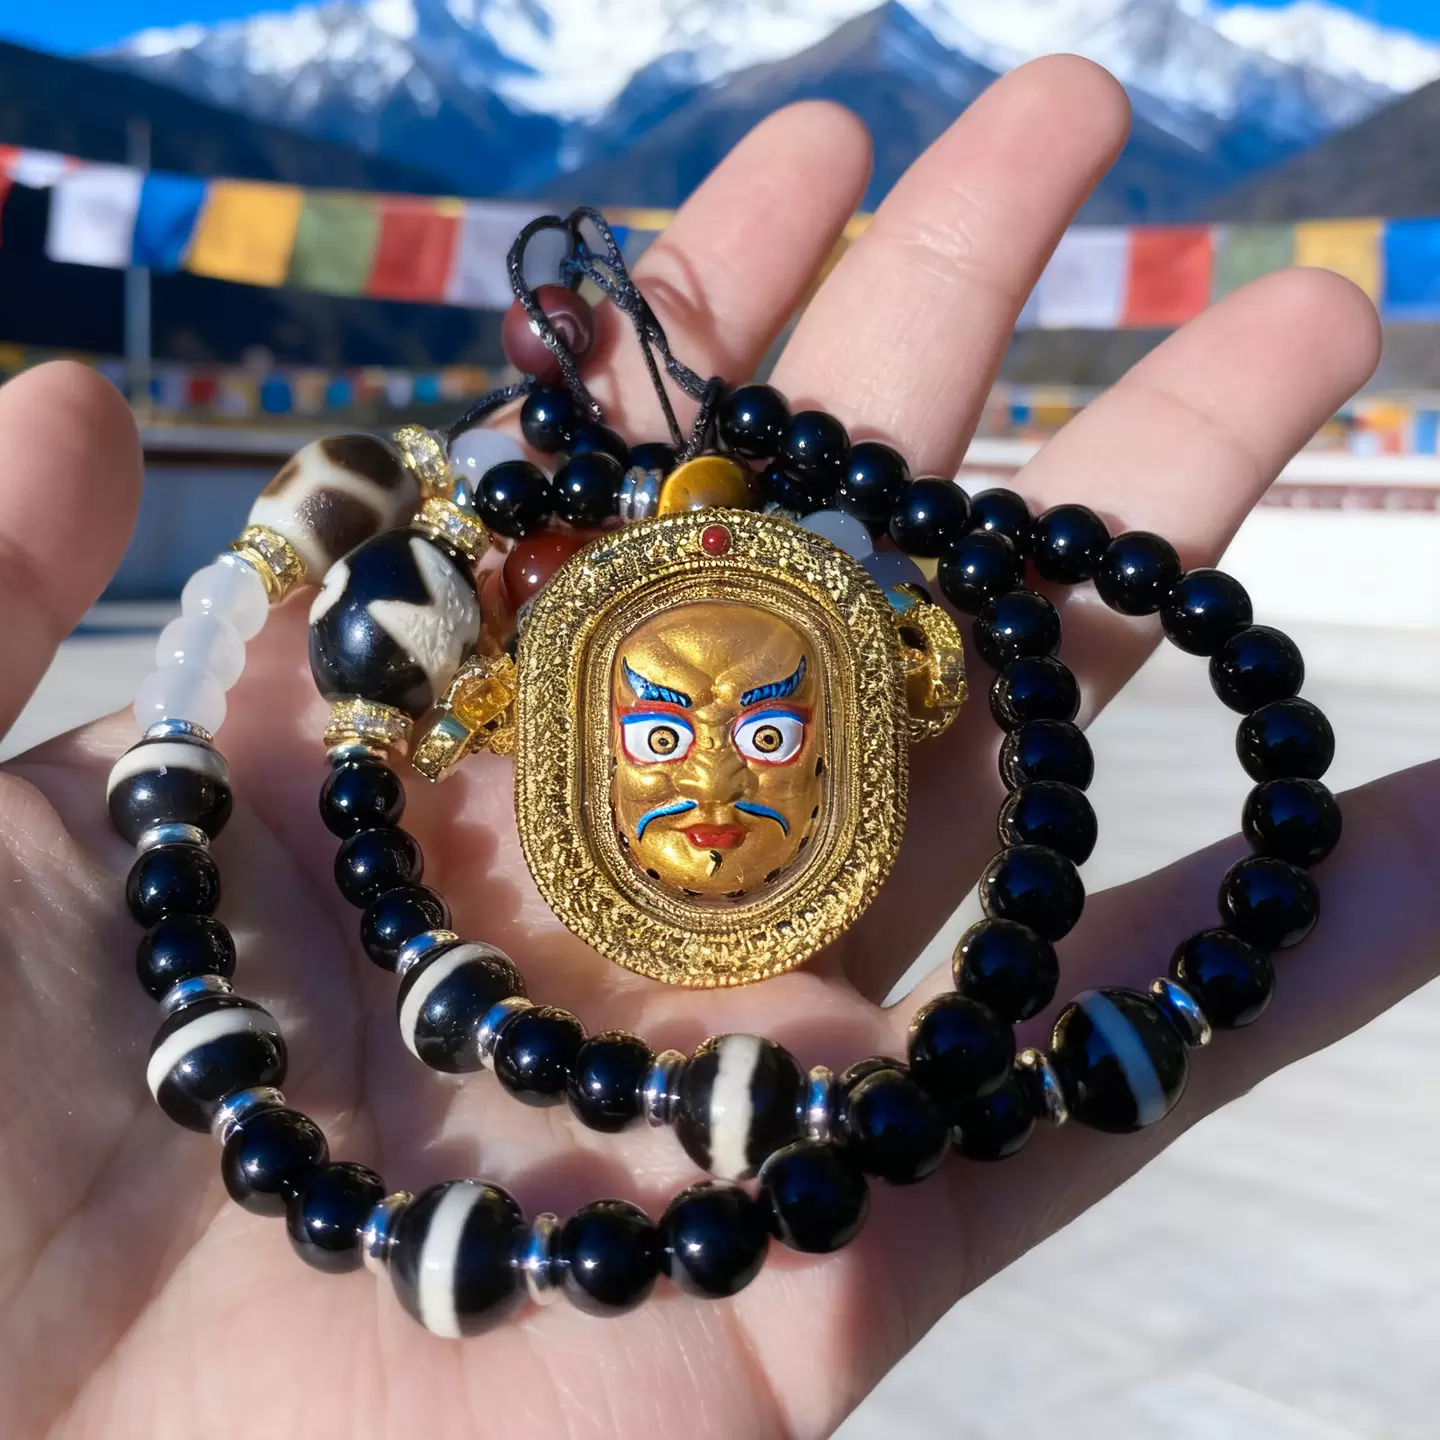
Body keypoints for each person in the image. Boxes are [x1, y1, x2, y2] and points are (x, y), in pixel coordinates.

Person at [0, 56, 1415, 1440]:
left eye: (773, 726)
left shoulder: (893, 639)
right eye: (662, 730)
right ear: (528, 707)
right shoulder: (479, 639)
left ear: (900, 689)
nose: (717, 783)